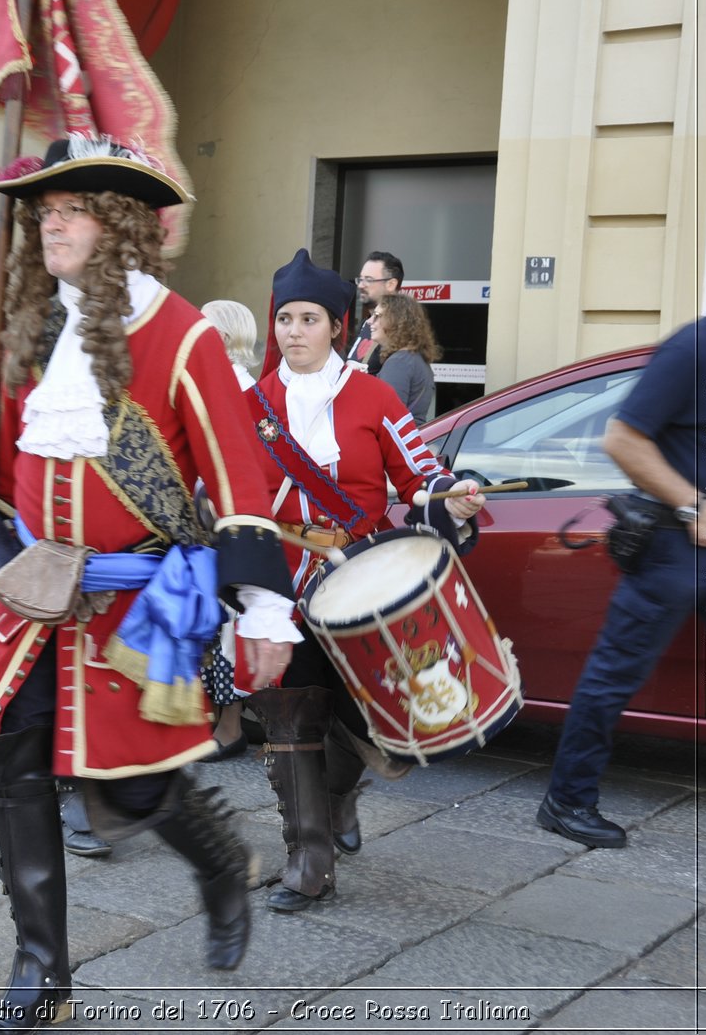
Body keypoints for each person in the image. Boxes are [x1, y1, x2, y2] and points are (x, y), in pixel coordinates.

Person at [0, 138, 300, 1030]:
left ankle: (219, 864)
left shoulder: (182, 333)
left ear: (121, 225)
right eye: (42, 212)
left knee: (134, 787)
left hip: (133, 604)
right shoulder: (25, 330)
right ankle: (41, 973)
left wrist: (265, 610)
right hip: (24, 594)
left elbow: (237, 479)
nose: (50, 223)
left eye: (71, 210)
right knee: (11, 764)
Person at [242, 248, 483, 914]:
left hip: (361, 579)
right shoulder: (251, 403)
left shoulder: (372, 395)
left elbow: (418, 476)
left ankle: (339, 795)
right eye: (284, 317)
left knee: (364, 721)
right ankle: (308, 856)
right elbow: (228, 492)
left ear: (337, 324)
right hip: (282, 583)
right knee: (289, 714)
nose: (294, 330)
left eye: (309, 318)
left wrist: (453, 495)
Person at [536, 248, 706, 849]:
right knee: (613, 676)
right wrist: (692, 504)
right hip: (675, 549)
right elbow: (622, 439)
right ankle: (567, 801)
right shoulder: (694, 349)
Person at [194, 298, 264, 760]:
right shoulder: (230, 383)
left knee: (226, 624)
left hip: (224, 518)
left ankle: (231, 725)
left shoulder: (236, 387)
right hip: (212, 514)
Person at [371, 292, 439, 421]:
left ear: (396, 320)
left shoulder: (399, 362)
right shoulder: (414, 357)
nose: (371, 322)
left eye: (377, 316)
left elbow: (389, 418)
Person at [349, 250, 403, 371]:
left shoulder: (402, 330)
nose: (360, 285)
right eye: (360, 279)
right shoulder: (366, 324)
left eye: (368, 279)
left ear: (391, 284)